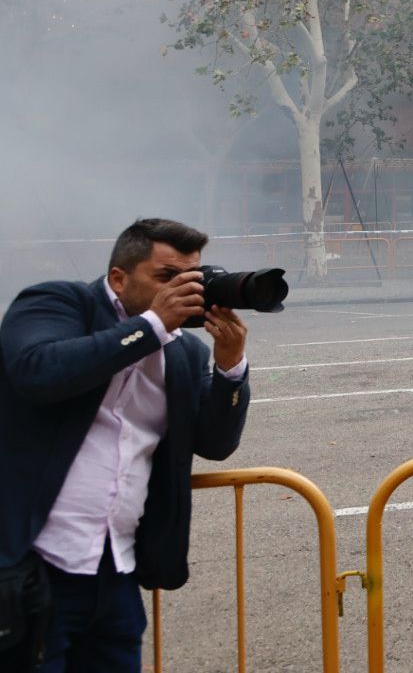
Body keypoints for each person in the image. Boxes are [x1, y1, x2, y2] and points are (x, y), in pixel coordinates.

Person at [0, 218, 251, 673]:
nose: (183, 291)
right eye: (165, 277)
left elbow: (214, 443)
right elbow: (37, 370)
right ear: (118, 277)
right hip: (31, 564)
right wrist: (152, 326)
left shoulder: (184, 353)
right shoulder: (56, 303)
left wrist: (231, 367)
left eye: (190, 278)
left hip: (115, 571)